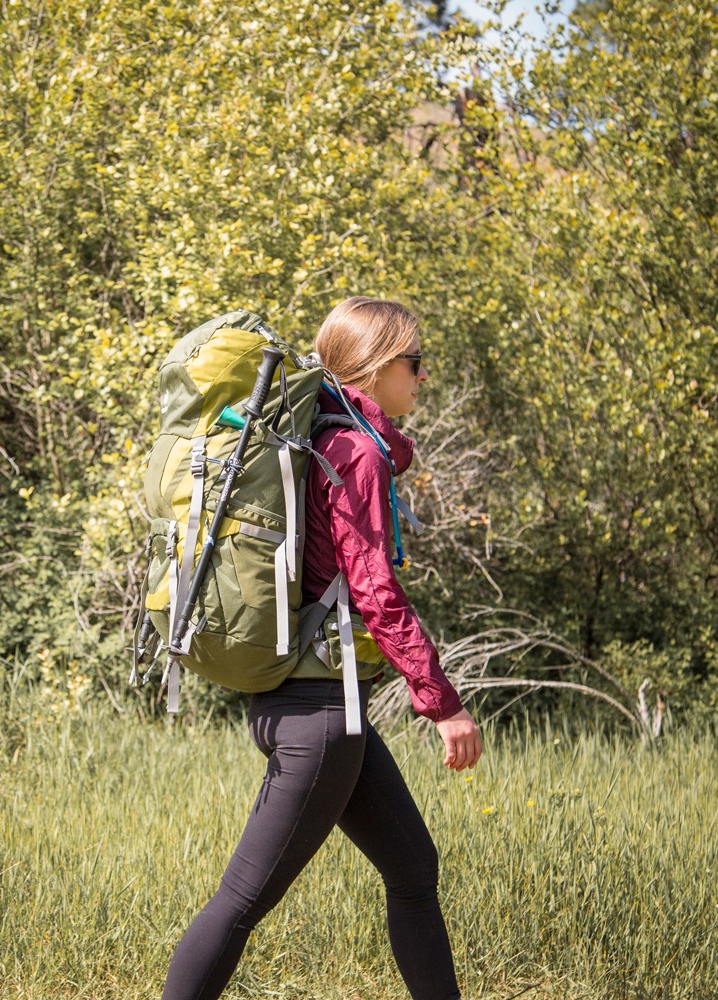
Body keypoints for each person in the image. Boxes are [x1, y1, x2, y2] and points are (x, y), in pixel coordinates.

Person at [161, 296, 482, 1000]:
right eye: (414, 362)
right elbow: (375, 591)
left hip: (315, 706)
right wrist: (443, 704)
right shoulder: (352, 452)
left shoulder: (319, 439)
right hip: (321, 721)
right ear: (374, 366)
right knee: (241, 903)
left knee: (414, 870)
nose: (422, 376)